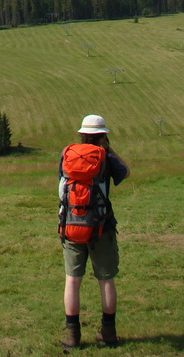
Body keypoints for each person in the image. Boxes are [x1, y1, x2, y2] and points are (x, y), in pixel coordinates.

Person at [59, 114, 130, 350]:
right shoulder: (105, 156)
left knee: (72, 281)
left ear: (82, 134)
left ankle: (72, 337)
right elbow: (125, 173)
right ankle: (108, 333)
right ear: (103, 136)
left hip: (71, 225)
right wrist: (108, 150)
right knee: (106, 280)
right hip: (101, 226)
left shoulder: (67, 154)